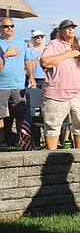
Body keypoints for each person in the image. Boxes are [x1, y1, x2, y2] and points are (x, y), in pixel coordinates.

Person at [39, 20, 80, 150]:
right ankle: (51, 155)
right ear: (60, 31)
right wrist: (67, 54)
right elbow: (44, 62)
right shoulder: (54, 45)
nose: (71, 30)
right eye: (67, 28)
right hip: (57, 93)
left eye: (73, 27)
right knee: (52, 125)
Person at [0, 18, 27, 147]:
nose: (9, 28)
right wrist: (6, 54)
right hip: (1, 84)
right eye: (6, 26)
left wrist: (31, 76)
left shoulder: (21, 43)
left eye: (12, 26)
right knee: (0, 115)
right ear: (1, 28)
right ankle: (1, 141)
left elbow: (28, 61)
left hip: (18, 84)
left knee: (20, 113)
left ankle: (21, 141)